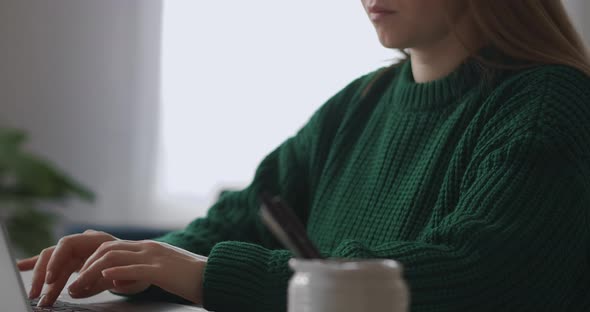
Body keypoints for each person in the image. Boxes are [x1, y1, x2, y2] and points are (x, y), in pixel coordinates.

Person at [18, 0, 590, 311]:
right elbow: (245, 215)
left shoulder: (551, 105)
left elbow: (482, 279)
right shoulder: (360, 102)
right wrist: (137, 261)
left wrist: (213, 276)